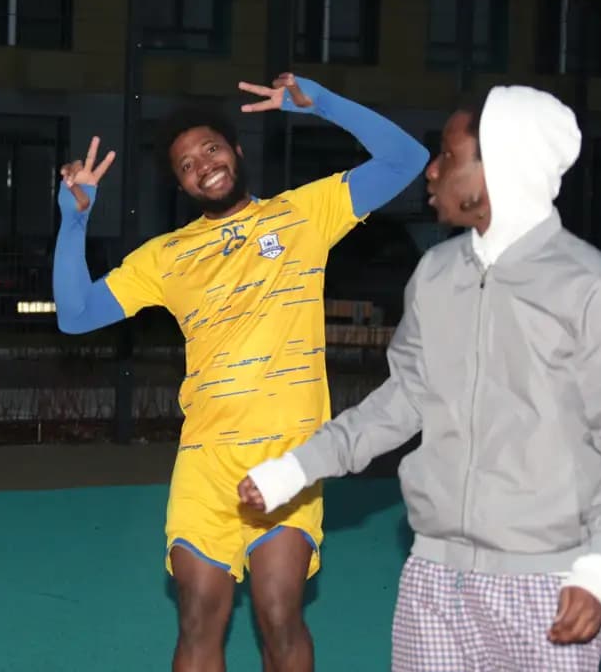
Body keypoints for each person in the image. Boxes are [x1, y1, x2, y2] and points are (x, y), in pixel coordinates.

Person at [239, 85, 601, 671]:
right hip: (434, 580)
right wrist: (297, 467)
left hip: (550, 583)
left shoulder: (594, 288)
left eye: (448, 155)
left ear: (503, 165)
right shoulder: (436, 274)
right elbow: (404, 398)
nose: (433, 170)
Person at [52, 73, 429, 671]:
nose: (202, 166)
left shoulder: (304, 213)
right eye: (186, 165)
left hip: (289, 456)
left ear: (237, 151)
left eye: (210, 149)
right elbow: (75, 314)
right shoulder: (165, 257)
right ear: (181, 185)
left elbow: (407, 160)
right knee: (199, 621)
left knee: (278, 613)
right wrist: (74, 220)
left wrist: (322, 104)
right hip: (205, 464)